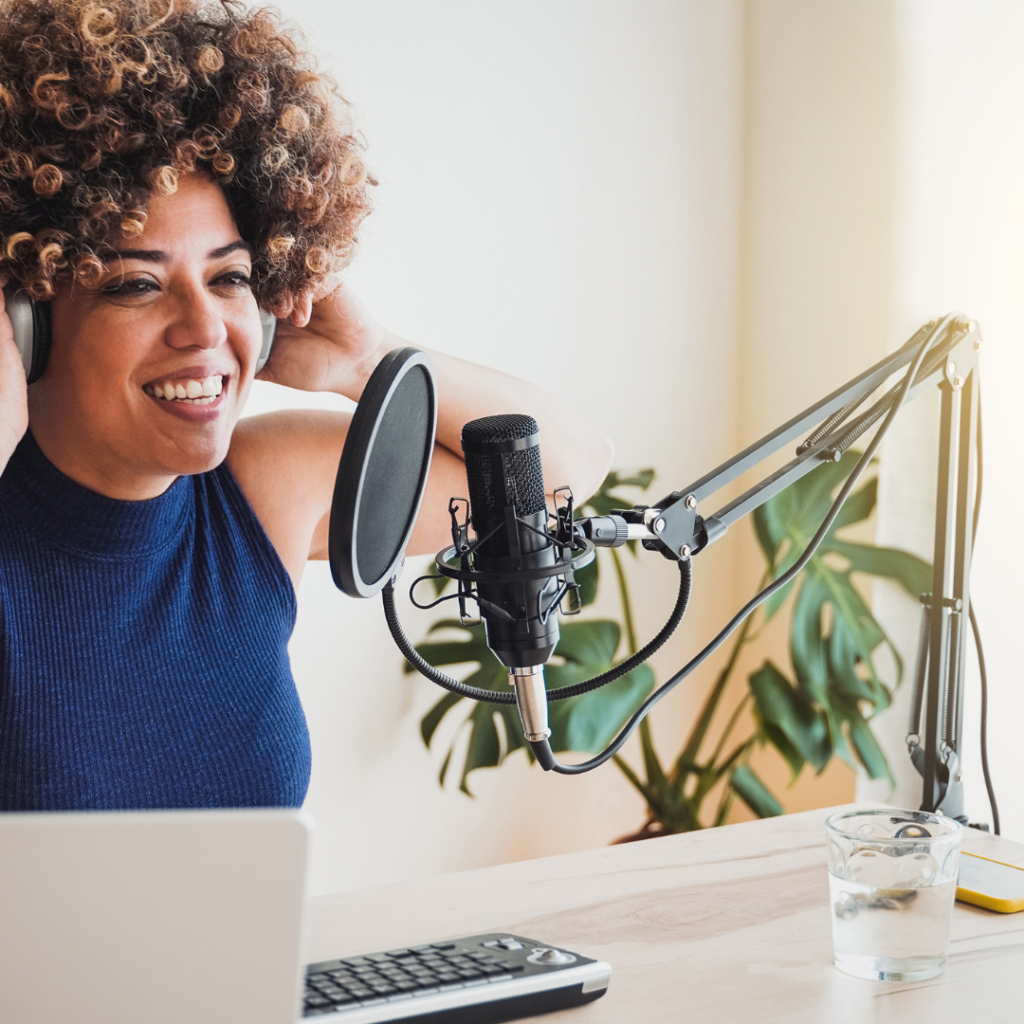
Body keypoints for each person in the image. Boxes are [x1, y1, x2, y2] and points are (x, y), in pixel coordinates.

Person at [0, 0, 613, 810]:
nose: (205, 326)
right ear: (29, 319)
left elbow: (559, 470)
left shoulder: (263, 492)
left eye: (230, 278)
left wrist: (369, 360)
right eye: (136, 285)